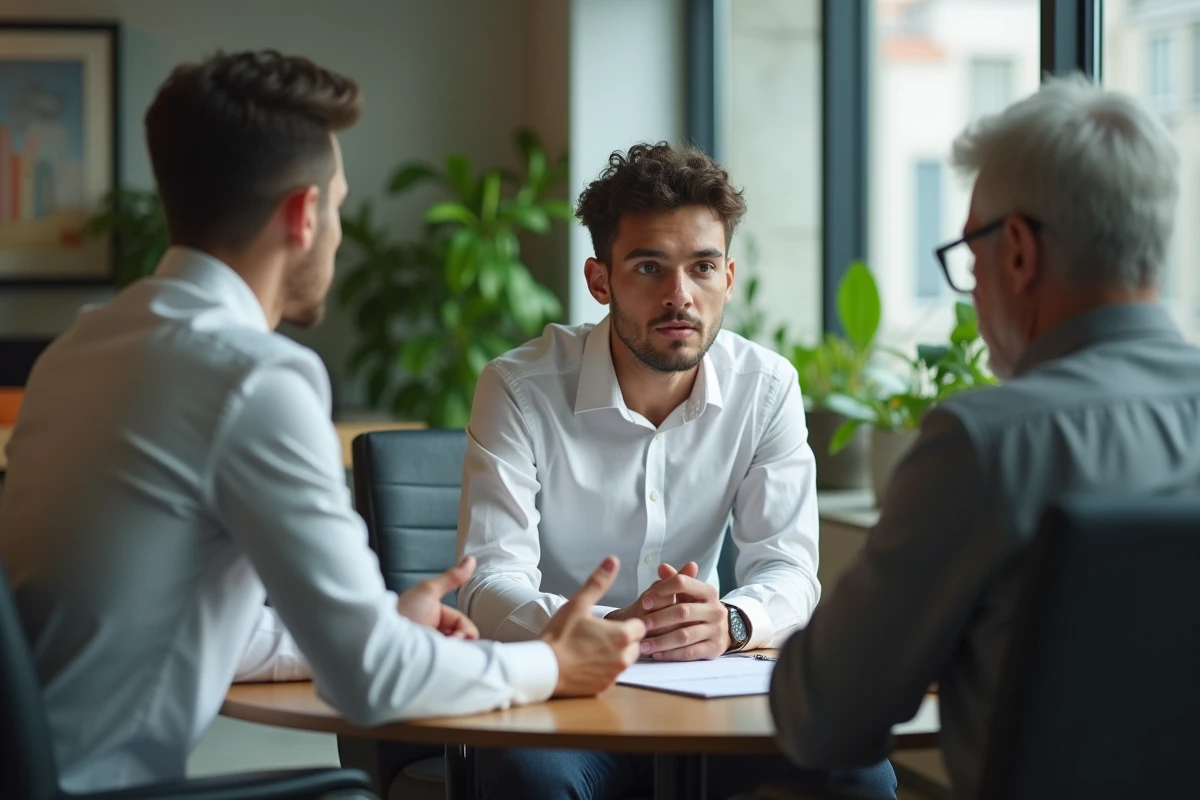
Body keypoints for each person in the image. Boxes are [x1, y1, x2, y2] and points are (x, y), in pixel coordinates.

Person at [0, 50, 644, 794]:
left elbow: (175, 622)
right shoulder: (253, 377)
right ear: (304, 215)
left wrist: (384, 627)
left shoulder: (82, 350)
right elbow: (372, 681)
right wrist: (552, 665)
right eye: (336, 205)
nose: (337, 231)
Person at [768, 74, 1200, 800]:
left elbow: (820, 719)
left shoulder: (987, 443)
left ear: (1020, 253)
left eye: (971, 261)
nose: (972, 288)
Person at [457, 142, 897, 799]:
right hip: (565, 704)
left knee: (858, 775)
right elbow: (489, 584)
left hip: (709, 699)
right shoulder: (519, 388)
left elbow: (788, 568)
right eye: (648, 268)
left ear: (728, 277)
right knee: (534, 783)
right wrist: (615, 629)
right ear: (600, 280)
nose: (679, 296)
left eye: (701, 267)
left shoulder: (766, 387)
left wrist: (732, 622)